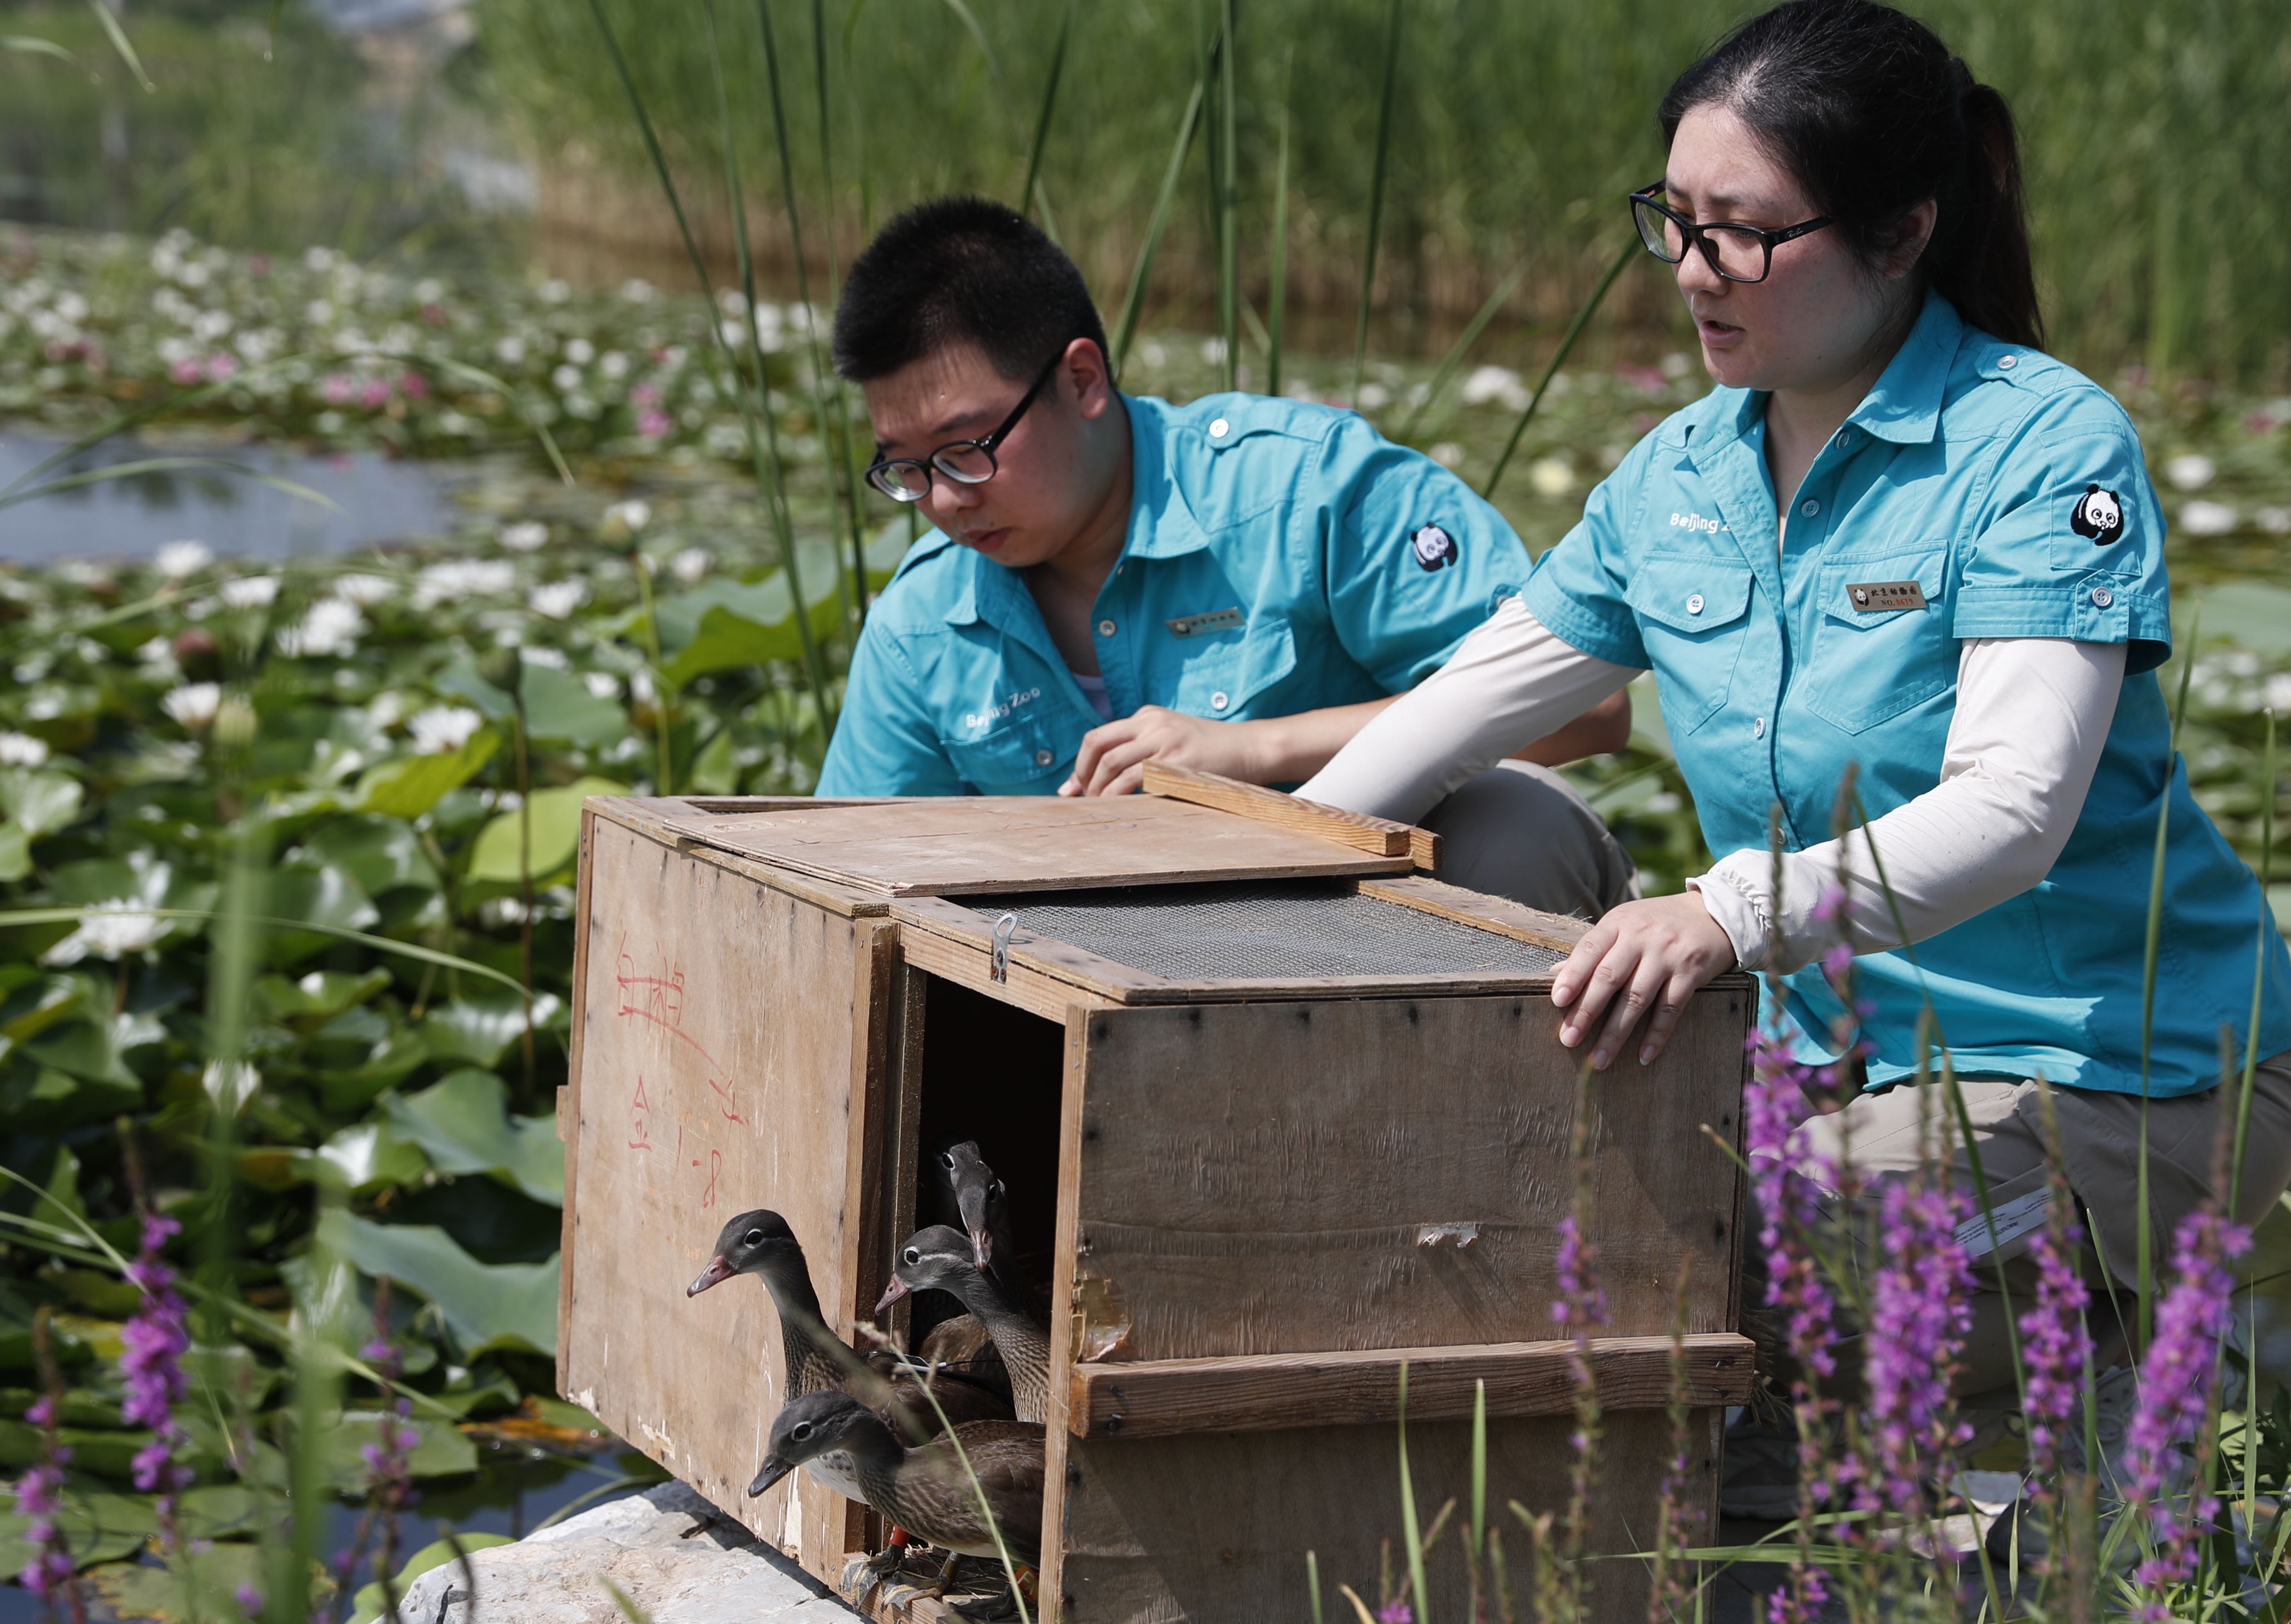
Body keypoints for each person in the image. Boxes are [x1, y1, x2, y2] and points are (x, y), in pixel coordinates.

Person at [1296, 0, 2291, 1509]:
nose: (1695, 275)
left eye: (1745, 234)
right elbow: (1459, 714)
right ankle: (1846, 1402)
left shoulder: (2040, 448)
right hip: (1837, 1065)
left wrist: (1726, 913)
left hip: (2125, 1070)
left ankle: (2166, 1356)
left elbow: (2018, 812)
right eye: (1675, 224)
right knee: (1541, 1150)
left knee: (1750, 1233)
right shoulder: (1682, 470)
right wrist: (1233, 870)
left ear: (1901, 233)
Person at [813, 197, 1638, 918]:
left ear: (1082, 379)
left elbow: (1588, 709)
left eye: (967, 448)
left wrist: (1254, 750)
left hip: (1370, 935)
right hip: (1087, 991)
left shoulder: (1306, 491)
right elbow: (845, 878)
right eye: (907, 468)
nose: (947, 500)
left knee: (1521, 822)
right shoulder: (918, 627)